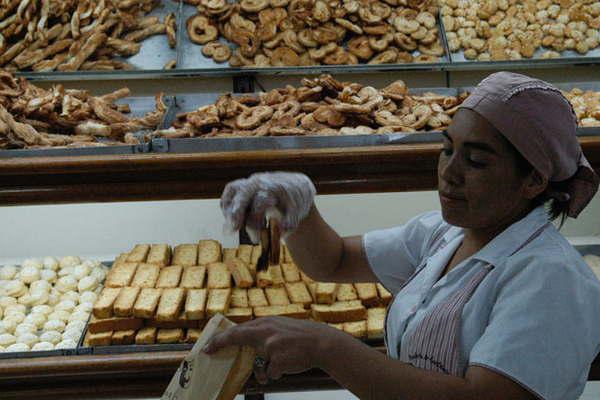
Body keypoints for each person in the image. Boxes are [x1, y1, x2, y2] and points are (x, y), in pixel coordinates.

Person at [203, 72, 600, 400]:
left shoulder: (551, 280)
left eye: (476, 160)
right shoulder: (444, 235)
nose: (450, 171)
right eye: (447, 150)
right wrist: (300, 210)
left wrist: (328, 347)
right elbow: (334, 260)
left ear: (533, 180)